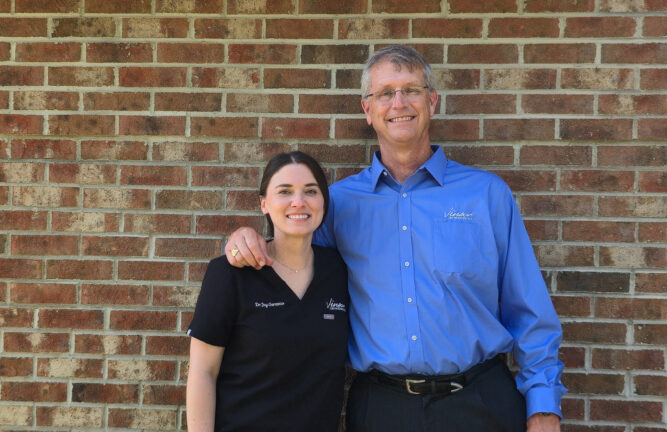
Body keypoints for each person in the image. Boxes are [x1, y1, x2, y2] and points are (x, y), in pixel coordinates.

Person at [224, 45, 566, 432]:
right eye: (385, 93)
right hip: (382, 408)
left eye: (412, 90)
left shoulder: (486, 195)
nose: (399, 103)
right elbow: (291, 266)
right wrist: (245, 239)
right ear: (367, 110)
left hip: (482, 402)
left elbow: (530, 311)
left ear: (432, 101)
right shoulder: (339, 203)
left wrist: (543, 408)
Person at [186, 151, 349, 432]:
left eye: (310, 191)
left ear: (323, 202)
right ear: (264, 204)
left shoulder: (338, 270)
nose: (298, 201)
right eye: (284, 191)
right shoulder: (229, 274)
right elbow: (203, 372)